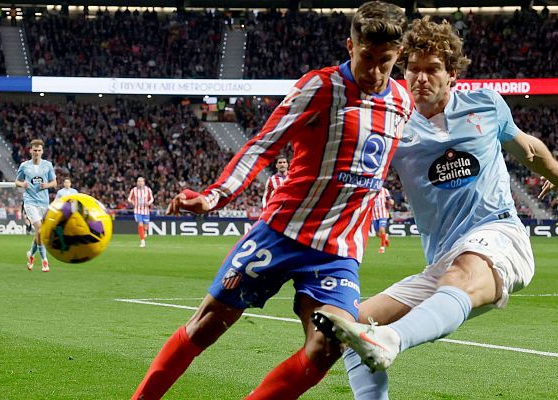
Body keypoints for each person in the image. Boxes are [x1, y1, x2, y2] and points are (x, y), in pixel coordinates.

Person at [131, 2, 413, 399]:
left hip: (338, 250)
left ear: (398, 55)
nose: (375, 71)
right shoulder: (321, 87)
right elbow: (264, 145)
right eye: (367, 57)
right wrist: (214, 196)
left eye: (385, 61)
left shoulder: (404, 102)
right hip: (282, 233)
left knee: (326, 346)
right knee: (208, 324)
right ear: (350, 46)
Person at [311, 17, 558, 399]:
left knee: (460, 274)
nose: (420, 78)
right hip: (443, 259)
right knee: (348, 327)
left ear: (453, 76)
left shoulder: (486, 105)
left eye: (432, 70)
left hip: (500, 235)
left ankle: (390, 340)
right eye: (413, 68)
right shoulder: (392, 118)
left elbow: (527, 147)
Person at [15, 139, 57, 272]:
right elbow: (17, 181)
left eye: (39, 150)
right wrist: (23, 185)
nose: (37, 152)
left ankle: (31, 255)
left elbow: (54, 182)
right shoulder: (24, 166)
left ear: (42, 151)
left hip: (44, 203)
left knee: (39, 233)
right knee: (39, 229)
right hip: (30, 202)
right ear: (30, 150)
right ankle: (45, 261)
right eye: (35, 150)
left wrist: (47, 185)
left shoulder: (48, 165)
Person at [128, 177, 153, 248]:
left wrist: (149, 203)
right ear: (137, 182)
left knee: (146, 226)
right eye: (138, 181)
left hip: (146, 210)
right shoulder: (134, 190)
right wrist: (132, 202)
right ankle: (142, 241)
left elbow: (152, 198)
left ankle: (145, 231)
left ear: (144, 182)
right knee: (140, 224)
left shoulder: (148, 190)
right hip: (137, 210)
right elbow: (129, 198)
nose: (140, 183)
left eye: (141, 181)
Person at [371, 186, 394, 254]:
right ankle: (385, 237)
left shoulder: (384, 190)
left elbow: (389, 199)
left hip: (383, 214)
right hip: (374, 215)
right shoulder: (371, 190)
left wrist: (391, 202)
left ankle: (382, 248)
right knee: (377, 234)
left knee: (382, 229)